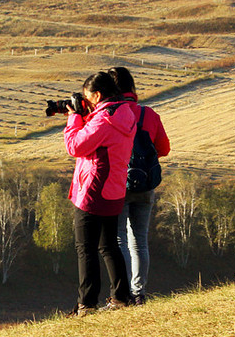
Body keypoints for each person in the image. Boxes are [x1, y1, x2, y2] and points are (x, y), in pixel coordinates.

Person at [65, 71, 139, 316]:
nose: (86, 102)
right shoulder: (124, 113)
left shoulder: (104, 120)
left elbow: (75, 146)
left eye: (88, 98)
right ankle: (121, 297)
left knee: (85, 248)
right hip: (114, 188)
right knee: (109, 245)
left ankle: (86, 304)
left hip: (93, 190)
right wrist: (86, 115)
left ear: (97, 95)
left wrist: (75, 117)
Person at [108, 67, 170, 305]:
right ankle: (139, 293)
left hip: (118, 184)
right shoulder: (149, 114)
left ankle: (122, 294)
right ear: (132, 87)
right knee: (140, 241)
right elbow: (163, 149)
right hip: (145, 185)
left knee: (120, 239)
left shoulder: (111, 114)